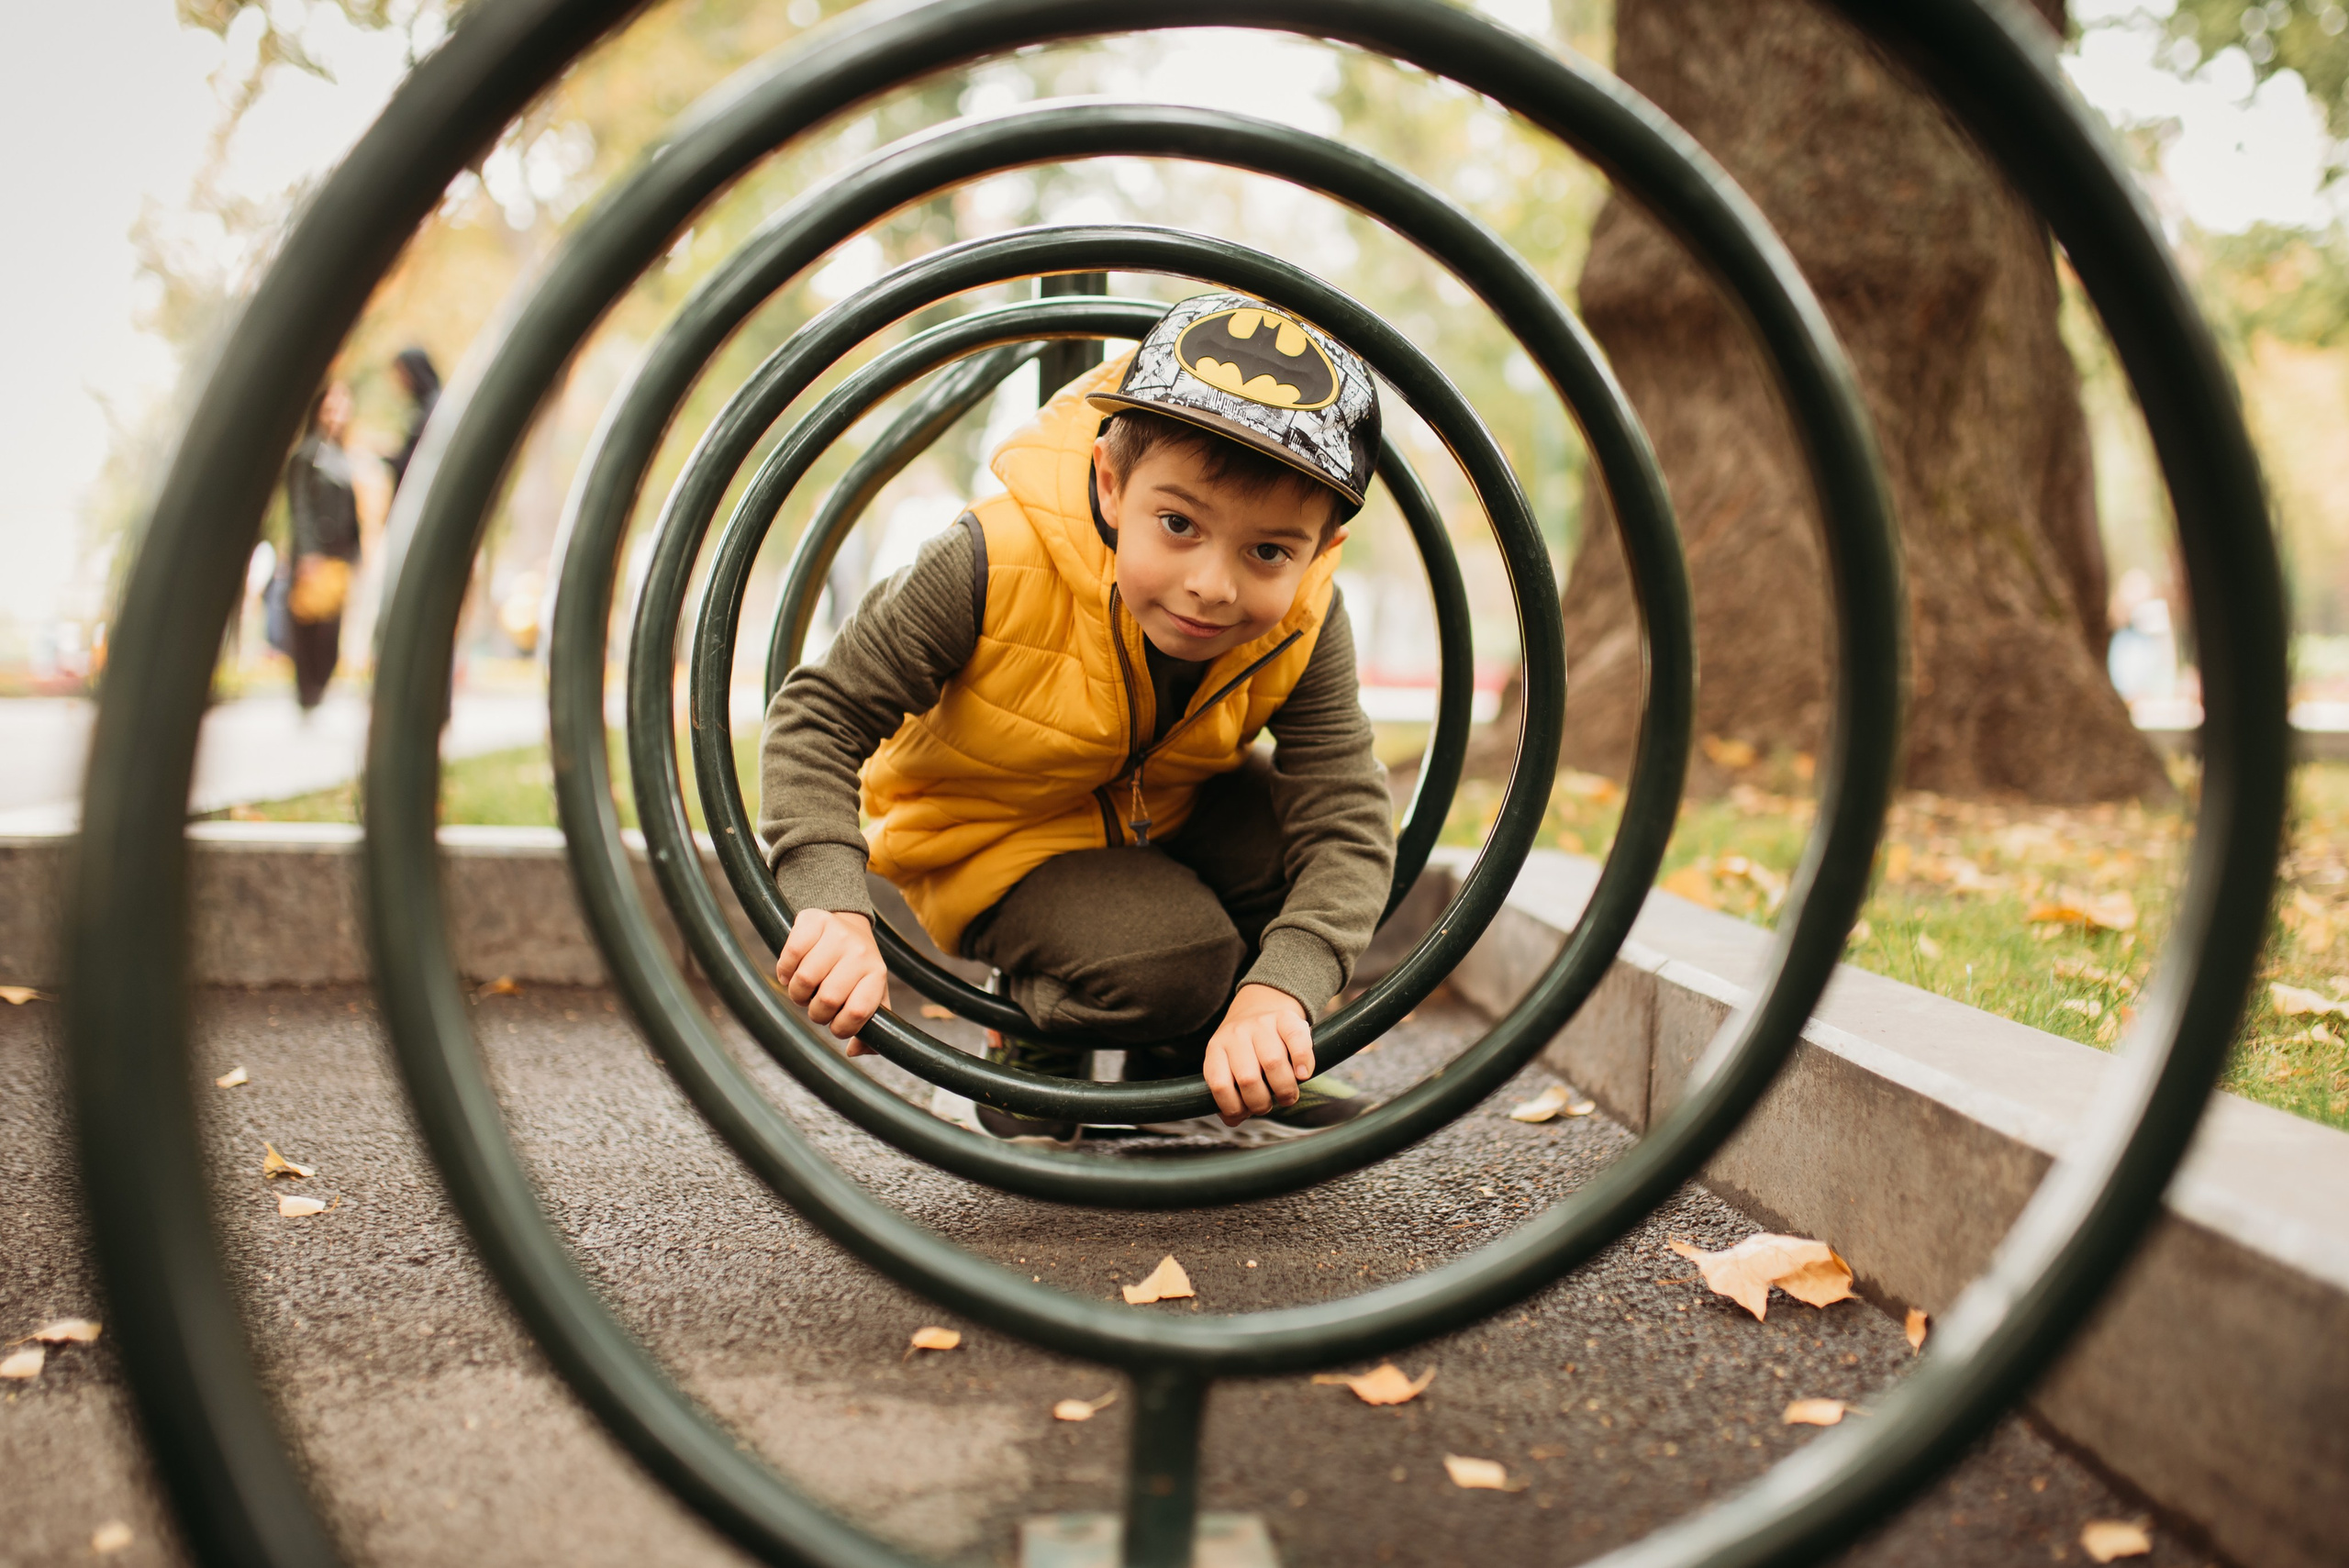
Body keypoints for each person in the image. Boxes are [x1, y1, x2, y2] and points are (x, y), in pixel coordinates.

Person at [760, 292, 1395, 1140]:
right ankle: (1035, 1023)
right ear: (1110, 479)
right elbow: (820, 713)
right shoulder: (991, 560)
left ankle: (1213, 1048)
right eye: (1177, 524)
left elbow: (1346, 808)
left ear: (1322, 547)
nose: (1214, 583)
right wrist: (834, 902)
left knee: (1334, 864)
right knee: (1179, 962)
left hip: (1161, 811)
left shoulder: (1308, 618)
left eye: (1269, 550)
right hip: (994, 839)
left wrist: (1284, 988)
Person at [280, 382, 363, 710]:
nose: (337, 415)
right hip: (314, 555)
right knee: (309, 625)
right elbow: (299, 507)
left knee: (331, 629)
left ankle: (319, 690)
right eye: (331, 408)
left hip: (340, 555)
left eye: (343, 407)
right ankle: (307, 694)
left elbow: (352, 510)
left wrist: (357, 551)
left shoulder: (344, 457)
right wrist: (308, 552)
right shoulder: (306, 456)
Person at [388, 346, 441, 489]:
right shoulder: (423, 407)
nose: (400, 381)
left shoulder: (433, 410)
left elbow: (417, 462)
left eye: (402, 373)